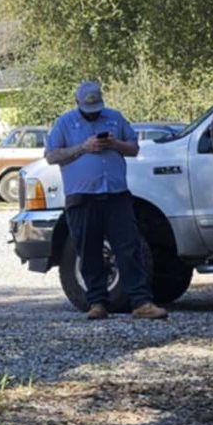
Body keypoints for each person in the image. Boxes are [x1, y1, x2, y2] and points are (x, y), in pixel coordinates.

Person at [44, 81, 167, 320]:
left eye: (97, 109)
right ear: (77, 102)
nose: (94, 114)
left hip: (116, 195)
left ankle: (141, 303)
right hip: (82, 198)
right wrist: (83, 147)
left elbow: (133, 148)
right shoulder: (64, 123)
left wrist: (115, 144)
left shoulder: (115, 118)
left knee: (129, 248)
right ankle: (97, 303)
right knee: (89, 250)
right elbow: (51, 156)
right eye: (88, 110)